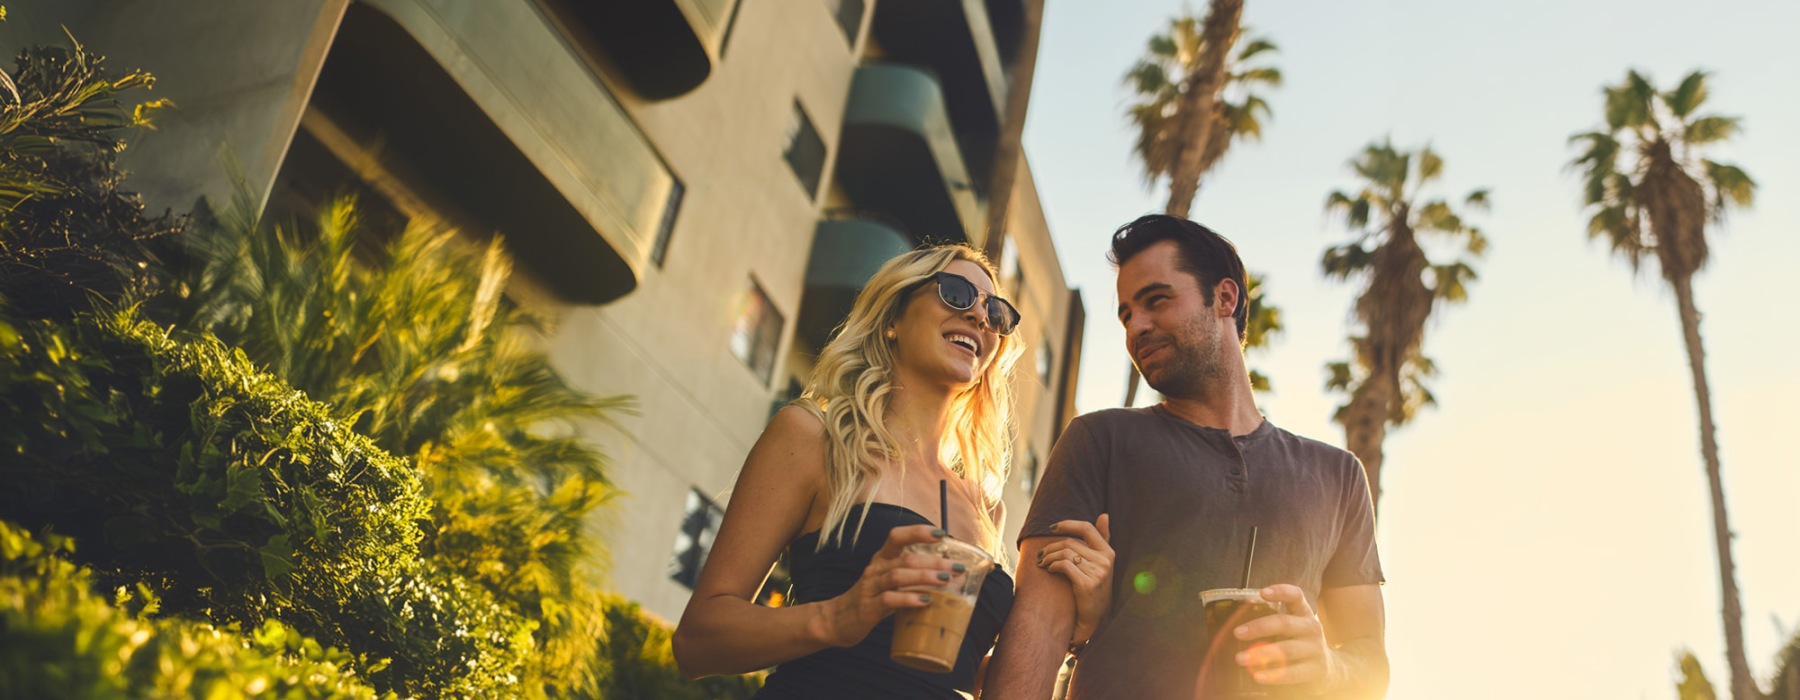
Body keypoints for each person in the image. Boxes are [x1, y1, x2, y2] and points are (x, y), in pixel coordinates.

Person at [672, 245, 1116, 699]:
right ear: (893, 319)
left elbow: (959, 676)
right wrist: (836, 617)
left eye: (996, 312)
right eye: (957, 293)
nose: (981, 318)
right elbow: (697, 642)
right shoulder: (814, 438)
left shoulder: (986, 509)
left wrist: (1073, 634)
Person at [985, 215, 1389, 699]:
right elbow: (1038, 629)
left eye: (1156, 301)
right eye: (1126, 314)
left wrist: (1326, 666)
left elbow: (1368, 660)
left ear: (1225, 298)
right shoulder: (1099, 439)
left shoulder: (1338, 476)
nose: (1137, 327)